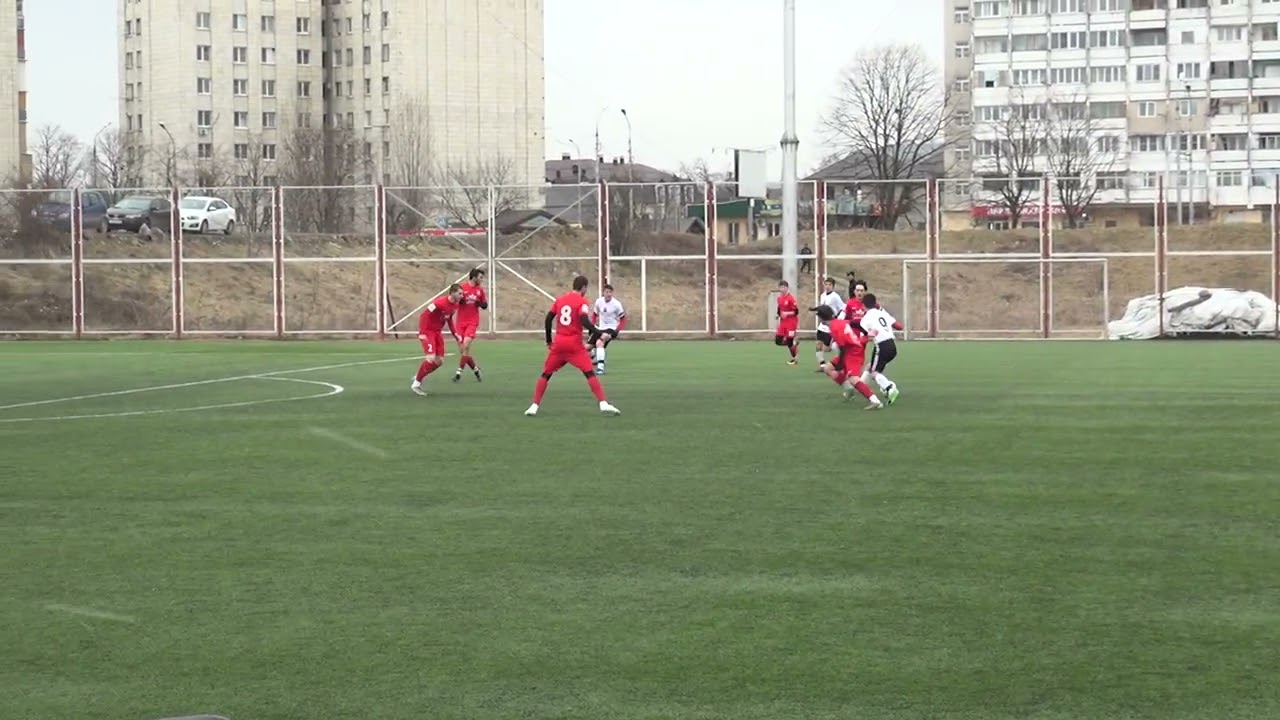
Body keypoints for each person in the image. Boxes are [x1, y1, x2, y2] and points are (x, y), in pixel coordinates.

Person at [525, 275, 622, 417]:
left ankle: (534, 406)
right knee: (589, 373)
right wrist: (599, 333)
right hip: (574, 345)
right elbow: (584, 320)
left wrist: (549, 340)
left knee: (546, 374)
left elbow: (548, 319)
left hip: (559, 344)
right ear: (583, 287)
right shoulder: (582, 301)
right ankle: (603, 403)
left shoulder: (560, 300)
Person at [816, 305, 882, 410]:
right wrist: (866, 333)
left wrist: (840, 364)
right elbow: (854, 323)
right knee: (828, 368)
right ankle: (849, 389)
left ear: (821, 318)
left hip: (854, 352)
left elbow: (842, 349)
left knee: (853, 378)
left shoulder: (834, 327)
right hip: (849, 350)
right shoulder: (839, 322)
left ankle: (875, 401)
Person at [411, 284, 463, 396]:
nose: (462, 296)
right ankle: (416, 384)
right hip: (428, 331)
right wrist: (422, 332)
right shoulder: (439, 303)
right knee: (430, 358)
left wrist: (456, 335)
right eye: (460, 293)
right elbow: (423, 315)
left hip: (437, 332)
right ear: (452, 293)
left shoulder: (455, 305)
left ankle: (419, 376)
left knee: (439, 361)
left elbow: (449, 320)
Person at [857, 293, 901, 404]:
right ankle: (860, 386)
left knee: (874, 372)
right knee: (870, 366)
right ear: (875, 303)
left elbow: (863, 338)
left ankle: (889, 388)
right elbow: (899, 326)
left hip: (881, 346)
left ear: (863, 305)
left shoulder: (865, 319)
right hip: (892, 345)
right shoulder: (882, 313)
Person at [453, 268, 488, 383]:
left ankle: (459, 372)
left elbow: (485, 305)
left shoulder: (480, 290)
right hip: (460, 323)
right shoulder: (462, 288)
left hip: (472, 322)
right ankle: (476, 369)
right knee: (463, 350)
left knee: (466, 344)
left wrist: (480, 303)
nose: (482, 280)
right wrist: (460, 301)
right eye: (480, 277)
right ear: (474, 277)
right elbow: (454, 300)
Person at [588, 283, 626, 375]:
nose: (608, 294)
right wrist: (592, 326)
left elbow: (623, 319)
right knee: (586, 348)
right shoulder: (599, 301)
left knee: (599, 342)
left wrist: (616, 331)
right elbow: (595, 315)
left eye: (610, 292)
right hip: (600, 328)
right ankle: (595, 354)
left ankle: (600, 368)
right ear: (603, 293)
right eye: (606, 292)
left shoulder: (616, 304)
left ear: (612, 293)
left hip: (611, 329)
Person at [811, 277, 846, 372]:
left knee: (827, 348)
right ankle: (822, 365)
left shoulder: (835, 297)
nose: (827, 286)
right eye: (826, 284)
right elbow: (822, 307)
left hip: (830, 326)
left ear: (833, 286)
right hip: (822, 325)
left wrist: (838, 319)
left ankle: (840, 363)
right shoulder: (822, 296)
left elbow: (843, 308)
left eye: (829, 285)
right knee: (818, 344)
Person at [774, 280, 800, 365]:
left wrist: (787, 313)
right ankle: (794, 343)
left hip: (791, 323)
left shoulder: (791, 298)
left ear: (787, 288)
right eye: (781, 287)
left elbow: (796, 312)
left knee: (789, 342)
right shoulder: (779, 298)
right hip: (783, 323)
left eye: (784, 287)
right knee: (778, 341)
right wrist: (778, 315)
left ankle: (794, 359)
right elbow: (779, 309)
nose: (782, 289)